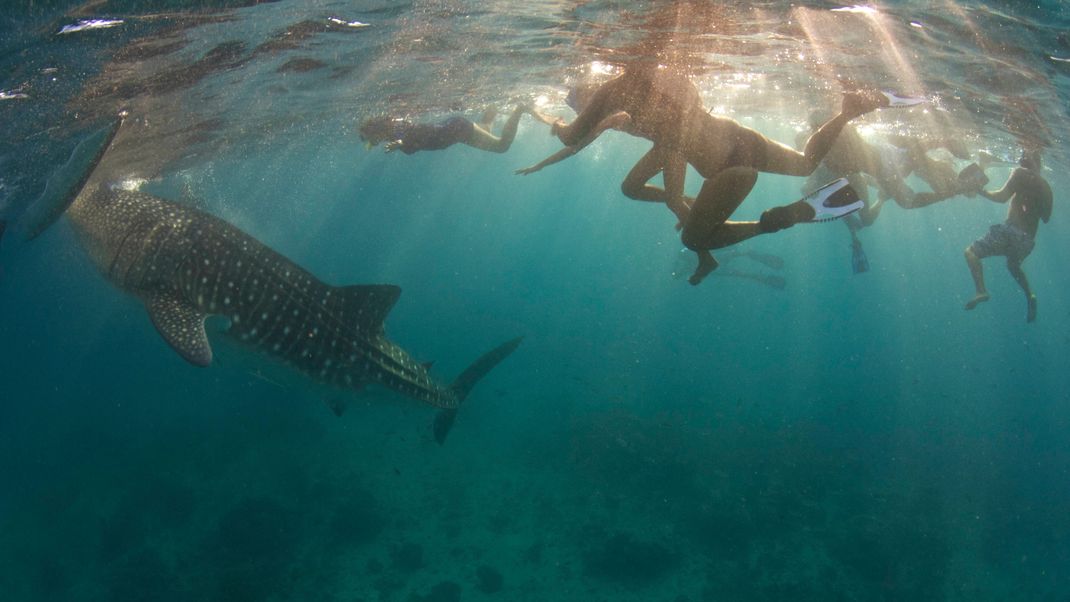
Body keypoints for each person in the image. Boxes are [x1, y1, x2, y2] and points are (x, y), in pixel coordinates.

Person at [539, 63, 893, 285]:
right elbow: (676, 134)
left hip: (728, 167)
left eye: (576, 104)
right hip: (736, 134)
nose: (580, 109)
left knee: (695, 240)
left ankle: (789, 215)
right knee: (804, 162)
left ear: (585, 95)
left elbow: (574, 136)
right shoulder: (656, 78)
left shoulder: (608, 95)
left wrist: (555, 124)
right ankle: (847, 112)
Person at [963, 149, 1052, 322]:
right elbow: (1046, 218)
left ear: (1025, 160)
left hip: (1010, 232)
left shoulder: (1019, 173)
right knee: (1013, 265)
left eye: (1022, 156)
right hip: (1026, 241)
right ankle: (1030, 295)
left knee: (971, 253)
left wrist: (980, 191)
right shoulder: (1046, 187)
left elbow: (1001, 197)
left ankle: (981, 290)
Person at [360, 105, 552, 154]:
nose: (371, 144)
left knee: (501, 146)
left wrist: (403, 143)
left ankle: (520, 109)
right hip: (455, 130)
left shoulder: (397, 132)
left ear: (375, 132)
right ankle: (492, 110)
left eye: (369, 139)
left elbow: (416, 134)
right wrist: (402, 143)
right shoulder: (394, 132)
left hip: (456, 130)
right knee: (484, 129)